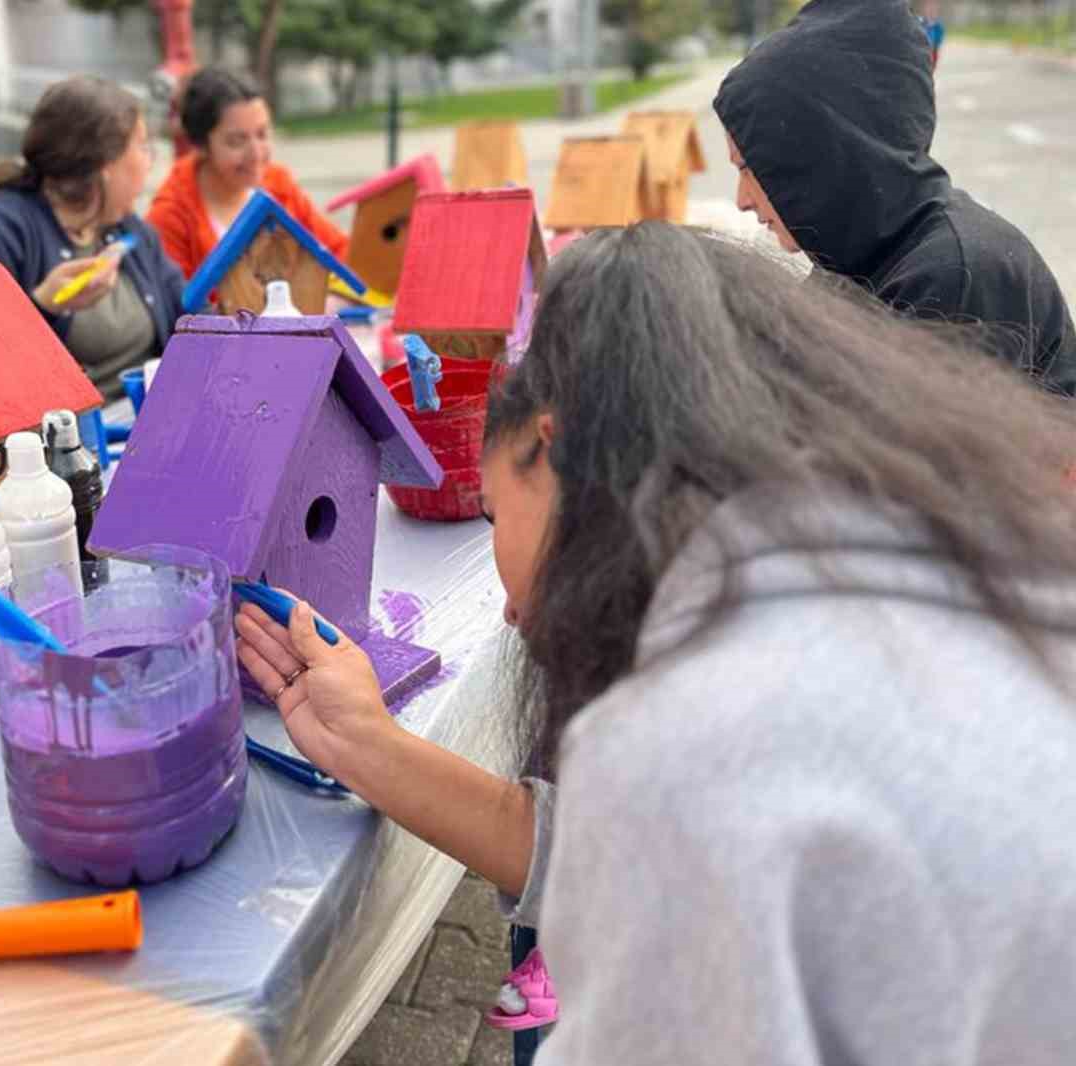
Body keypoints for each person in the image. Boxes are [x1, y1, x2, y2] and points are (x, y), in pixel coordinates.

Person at [237, 223, 1076, 1063]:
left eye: (496, 514)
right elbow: (624, 862)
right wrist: (367, 744)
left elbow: (662, 853)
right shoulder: (916, 554)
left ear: (552, 443)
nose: (507, 615)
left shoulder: (698, 730)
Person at [715, 0, 1076, 394]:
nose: (742, 200)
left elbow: (897, 447)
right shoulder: (860, 253)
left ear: (817, 155)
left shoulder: (953, 274)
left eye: (749, 170)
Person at [0, 76, 183, 400]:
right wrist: (43, 307)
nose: (150, 162)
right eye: (142, 146)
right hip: (64, 442)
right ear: (106, 165)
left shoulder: (127, 227)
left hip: (150, 419)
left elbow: (191, 313)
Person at [147, 67, 347, 281]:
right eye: (236, 141)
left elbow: (340, 252)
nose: (256, 154)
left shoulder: (278, 184)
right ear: (201, 144)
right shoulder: (170, 216)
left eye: (262, 134)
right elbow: (176, 307)